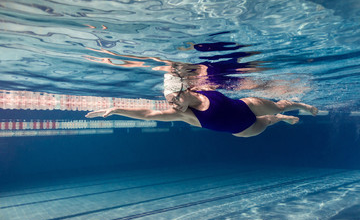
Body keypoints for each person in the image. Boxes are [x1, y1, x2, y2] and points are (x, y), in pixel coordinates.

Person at [85, 76, 318, 137]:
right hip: (242, 130)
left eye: (175, 98)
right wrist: (116, 109)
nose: (173, 104)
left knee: (278, 105)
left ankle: (301, 106)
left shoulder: (200, 87)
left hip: (247, 107)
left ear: (186, 91)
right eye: (169, 101)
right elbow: (148, 113)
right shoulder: (185, 116)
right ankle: (282, 119)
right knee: (268, 121)